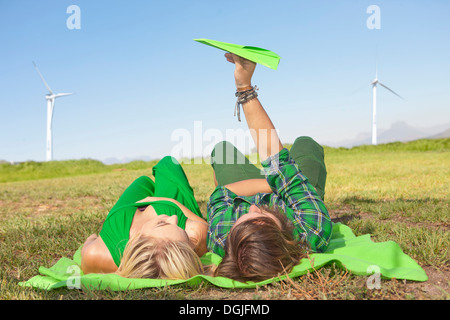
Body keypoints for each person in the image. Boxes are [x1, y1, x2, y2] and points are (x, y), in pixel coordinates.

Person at [206, 52, 333, 282]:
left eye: (243, 220)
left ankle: (278, 184)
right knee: (306, 144)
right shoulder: (310, 229)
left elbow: (221, 194)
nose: (253, 211)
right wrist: (244, 87)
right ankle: (296, 184)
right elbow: (278, 162)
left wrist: (271, 183)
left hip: (254, 189)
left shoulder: (221, 237)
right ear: (286, 238)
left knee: (222, 149)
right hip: (293, 195)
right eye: (263, 220)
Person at [81, 156, 209, 280]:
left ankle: (151, 190)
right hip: (168, 205)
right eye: (184, 235)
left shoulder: (98, 255)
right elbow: (208, 229)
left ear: (138, 240)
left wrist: (97, 238)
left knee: (142, 181)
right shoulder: (195, 233)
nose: (173, 218)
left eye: (162, 224)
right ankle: (160, 195)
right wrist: (169, 201)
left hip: (123, 215)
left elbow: (91, 238)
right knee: (167, 163)